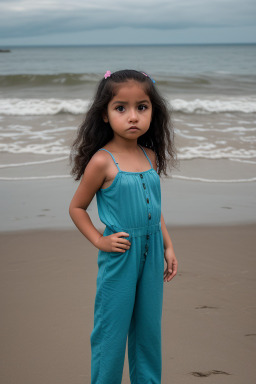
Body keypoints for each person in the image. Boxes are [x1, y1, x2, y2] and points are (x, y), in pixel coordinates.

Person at [69, 69, 178, 384]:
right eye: (121, 108)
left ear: (152, 112)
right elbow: (77, 208)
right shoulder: (102, 161)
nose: (133, 116)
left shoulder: (151, 156)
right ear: (104, 114)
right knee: (111, 331)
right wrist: (99, 241)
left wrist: (168, 246)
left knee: (148, 331)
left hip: (153, 251)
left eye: (141, 107)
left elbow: (154, 210)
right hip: (121, 255)